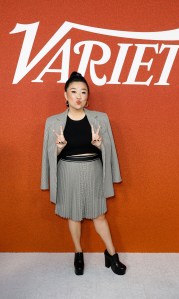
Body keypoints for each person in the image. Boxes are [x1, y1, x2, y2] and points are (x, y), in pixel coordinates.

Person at [41, 71, 126, 275]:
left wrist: (99, 145)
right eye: (74, 91)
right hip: (67, 171)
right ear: (65, 95)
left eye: (83, 92)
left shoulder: (100, 119)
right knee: (74, 214)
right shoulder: (52, 122)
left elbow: (110, 151)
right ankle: (78, 253)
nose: (79, 96)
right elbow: (48, 155)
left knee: (99, 215)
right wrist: (59, 148)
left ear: (87, 96)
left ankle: (112, 254)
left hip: (93, 170)